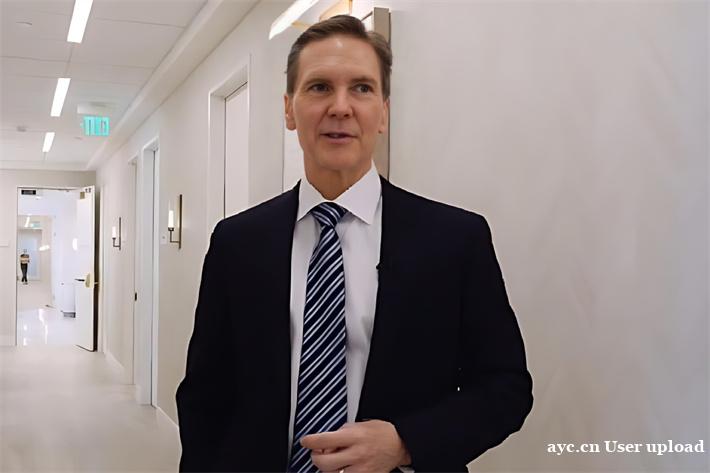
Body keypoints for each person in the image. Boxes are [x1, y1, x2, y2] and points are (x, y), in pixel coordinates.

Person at [176, 15, 532, 473]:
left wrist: (406, 442)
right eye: (319, 87)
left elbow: (506, 387)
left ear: (383, 112)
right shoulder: (237, 243)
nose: (340, 107)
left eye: (361, 88)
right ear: (289, 110)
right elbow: (204, 395)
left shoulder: (455, 240)